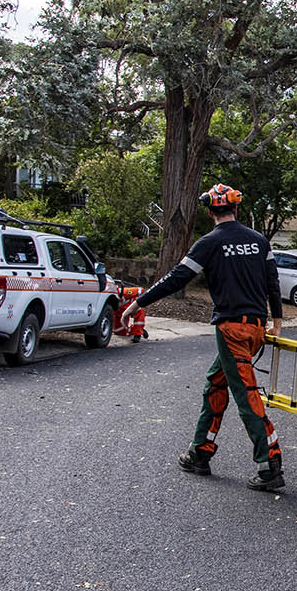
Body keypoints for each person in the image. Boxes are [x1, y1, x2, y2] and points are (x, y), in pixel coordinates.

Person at [122, 183, 286, 492]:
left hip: (231, 330)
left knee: (246, 395)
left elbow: (176, 279)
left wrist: (137, 303)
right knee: (216, 384)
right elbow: (272, 282)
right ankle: (200, 452)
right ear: (235, 209)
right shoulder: (259, 241)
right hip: (254, 330)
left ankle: (269, 465)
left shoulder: (209, 243)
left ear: (210, 211)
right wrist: (276, 322)